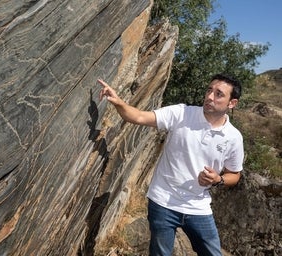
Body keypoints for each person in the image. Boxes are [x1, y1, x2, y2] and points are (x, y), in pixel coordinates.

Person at [98, 74, 244, 256]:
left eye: (219, 94)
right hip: (163, 202)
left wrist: (218, 179)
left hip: (198, 207)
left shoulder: (234, 137)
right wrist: (118, 102)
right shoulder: (182, 113)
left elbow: (234, 175)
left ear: (232, 103)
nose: (210, 97)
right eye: (209, 90)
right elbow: (139, 117)